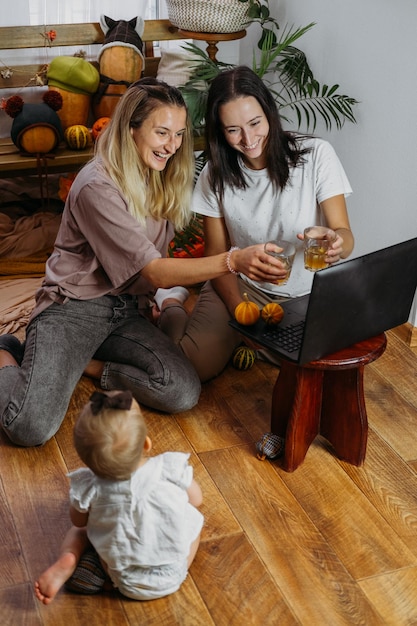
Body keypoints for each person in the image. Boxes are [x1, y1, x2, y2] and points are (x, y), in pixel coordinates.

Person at [0, 77, 286, 447]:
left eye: (180, 134)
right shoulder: (96, 186)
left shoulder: (159, 176)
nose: (173, 145)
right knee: (30, 428)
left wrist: (155, 301)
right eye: (162, 132)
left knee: (182, 390)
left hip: (126, 311)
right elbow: (152, 270)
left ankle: (87, 364)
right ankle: (8, 351)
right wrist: (232, 260)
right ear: (131, 129)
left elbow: (153, 267)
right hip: (74, 310)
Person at [157, 65, 355, 381]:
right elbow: (217, 255)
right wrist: (240, 312)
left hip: (306, 298)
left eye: (254, 123)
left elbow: (344, 234)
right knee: (189, 369)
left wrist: (336, 242)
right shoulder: (215, 174)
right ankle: (171, 302)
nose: (249, 139)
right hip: (241, 288)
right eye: (233, 129)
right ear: (220, 131)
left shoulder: (316, 155)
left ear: (269, 114)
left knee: (319, 375)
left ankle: (250, 343)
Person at [34, 389, 204, 603]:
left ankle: (71, 559)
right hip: (171, 576)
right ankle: (173, 563)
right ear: (146, 444)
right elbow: (197, 499)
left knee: (80, 532)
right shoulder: (168, 468)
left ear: (87, 460)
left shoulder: (90, 487)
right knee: (193, 522)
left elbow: (78, 520)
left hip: (123, 578)